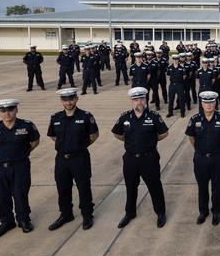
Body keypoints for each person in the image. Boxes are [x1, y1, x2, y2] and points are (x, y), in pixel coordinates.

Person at [0, 99, 40, 239]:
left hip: (19, 167)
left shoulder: (26, 126)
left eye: (10, 110)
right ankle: (6, 222)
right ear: (0, 112)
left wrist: (21, 154)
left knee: (20, 193)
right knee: (1, 196)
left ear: (16, 110)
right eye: (3, 111)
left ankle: (23, 220)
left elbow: (35, 142)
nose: (7, 113)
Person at [112, 87, 169, 229]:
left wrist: (150, 142)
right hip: (130, 159)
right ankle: (130, 213)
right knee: (131, 187)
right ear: (131, 101)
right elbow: (117, 134)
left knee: (154, 186)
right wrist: (130, 143)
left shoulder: (154, 117)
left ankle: (160, 212)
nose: (139, 102)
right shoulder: (125, 117)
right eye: (136, 99)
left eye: (141, 99)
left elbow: (163, 133)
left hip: (149, 158)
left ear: (146, 100)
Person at [47, 88, 99, 231]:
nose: (68, 102)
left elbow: (94, 135)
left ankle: (87, 215)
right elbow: (53, 136)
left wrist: (79, 146)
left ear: (76, 99)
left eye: (71, 99)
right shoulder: (56, 118)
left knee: (83, 187)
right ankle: (66, 214)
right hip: (61, 159)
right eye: (65, 99)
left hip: (79, 158)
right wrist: (65, 146)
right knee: (62, 187)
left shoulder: (86, 116)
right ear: (61, 101)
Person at [186, 91, 220, 226]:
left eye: (211, 102)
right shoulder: (195, 119)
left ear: (215, 103)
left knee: (217, 186)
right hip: (200, 159)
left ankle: (216, 211)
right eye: (206, 102)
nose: (209, 105)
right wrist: (200, 150)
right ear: (202, 103)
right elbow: (191, 137)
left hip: (217, 158)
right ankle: (203, 211)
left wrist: (218, 147)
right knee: (202, 186)